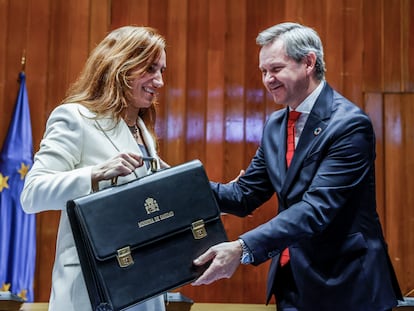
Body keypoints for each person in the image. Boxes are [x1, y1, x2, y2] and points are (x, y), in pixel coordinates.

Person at [192, 22, 402, 311]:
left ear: (308, 62)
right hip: (293, 284)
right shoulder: (276, 125)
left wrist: (242, 248)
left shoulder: (349, 125)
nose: (267, 79)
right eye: (263, 71)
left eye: (276, 69)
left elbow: (316, 209)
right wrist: (180, 186)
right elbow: (244, 196)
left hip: (346, 285)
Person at [20, 26, 168, 311]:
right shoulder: (75, 118)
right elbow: (32, 193)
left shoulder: (142, 131)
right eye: (150, 68)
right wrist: (95, 174)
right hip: (91, 289)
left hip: (145, 285)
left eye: (162, 70)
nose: (159, 81)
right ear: (120, 66)